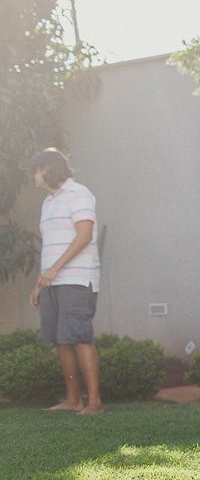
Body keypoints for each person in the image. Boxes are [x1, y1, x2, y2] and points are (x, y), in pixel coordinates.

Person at [28, 148, 103, 414]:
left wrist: (55, 270)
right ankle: (73, 400)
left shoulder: (79, 193)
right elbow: (50, 245)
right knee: (61, 339)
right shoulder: (48, 202)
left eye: (36, 170)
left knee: (80, 337)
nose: (34, 176)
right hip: (52, 281)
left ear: (48, 169)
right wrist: (40, 282)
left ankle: (94, 403)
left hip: (77, 278)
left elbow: (83, 236)